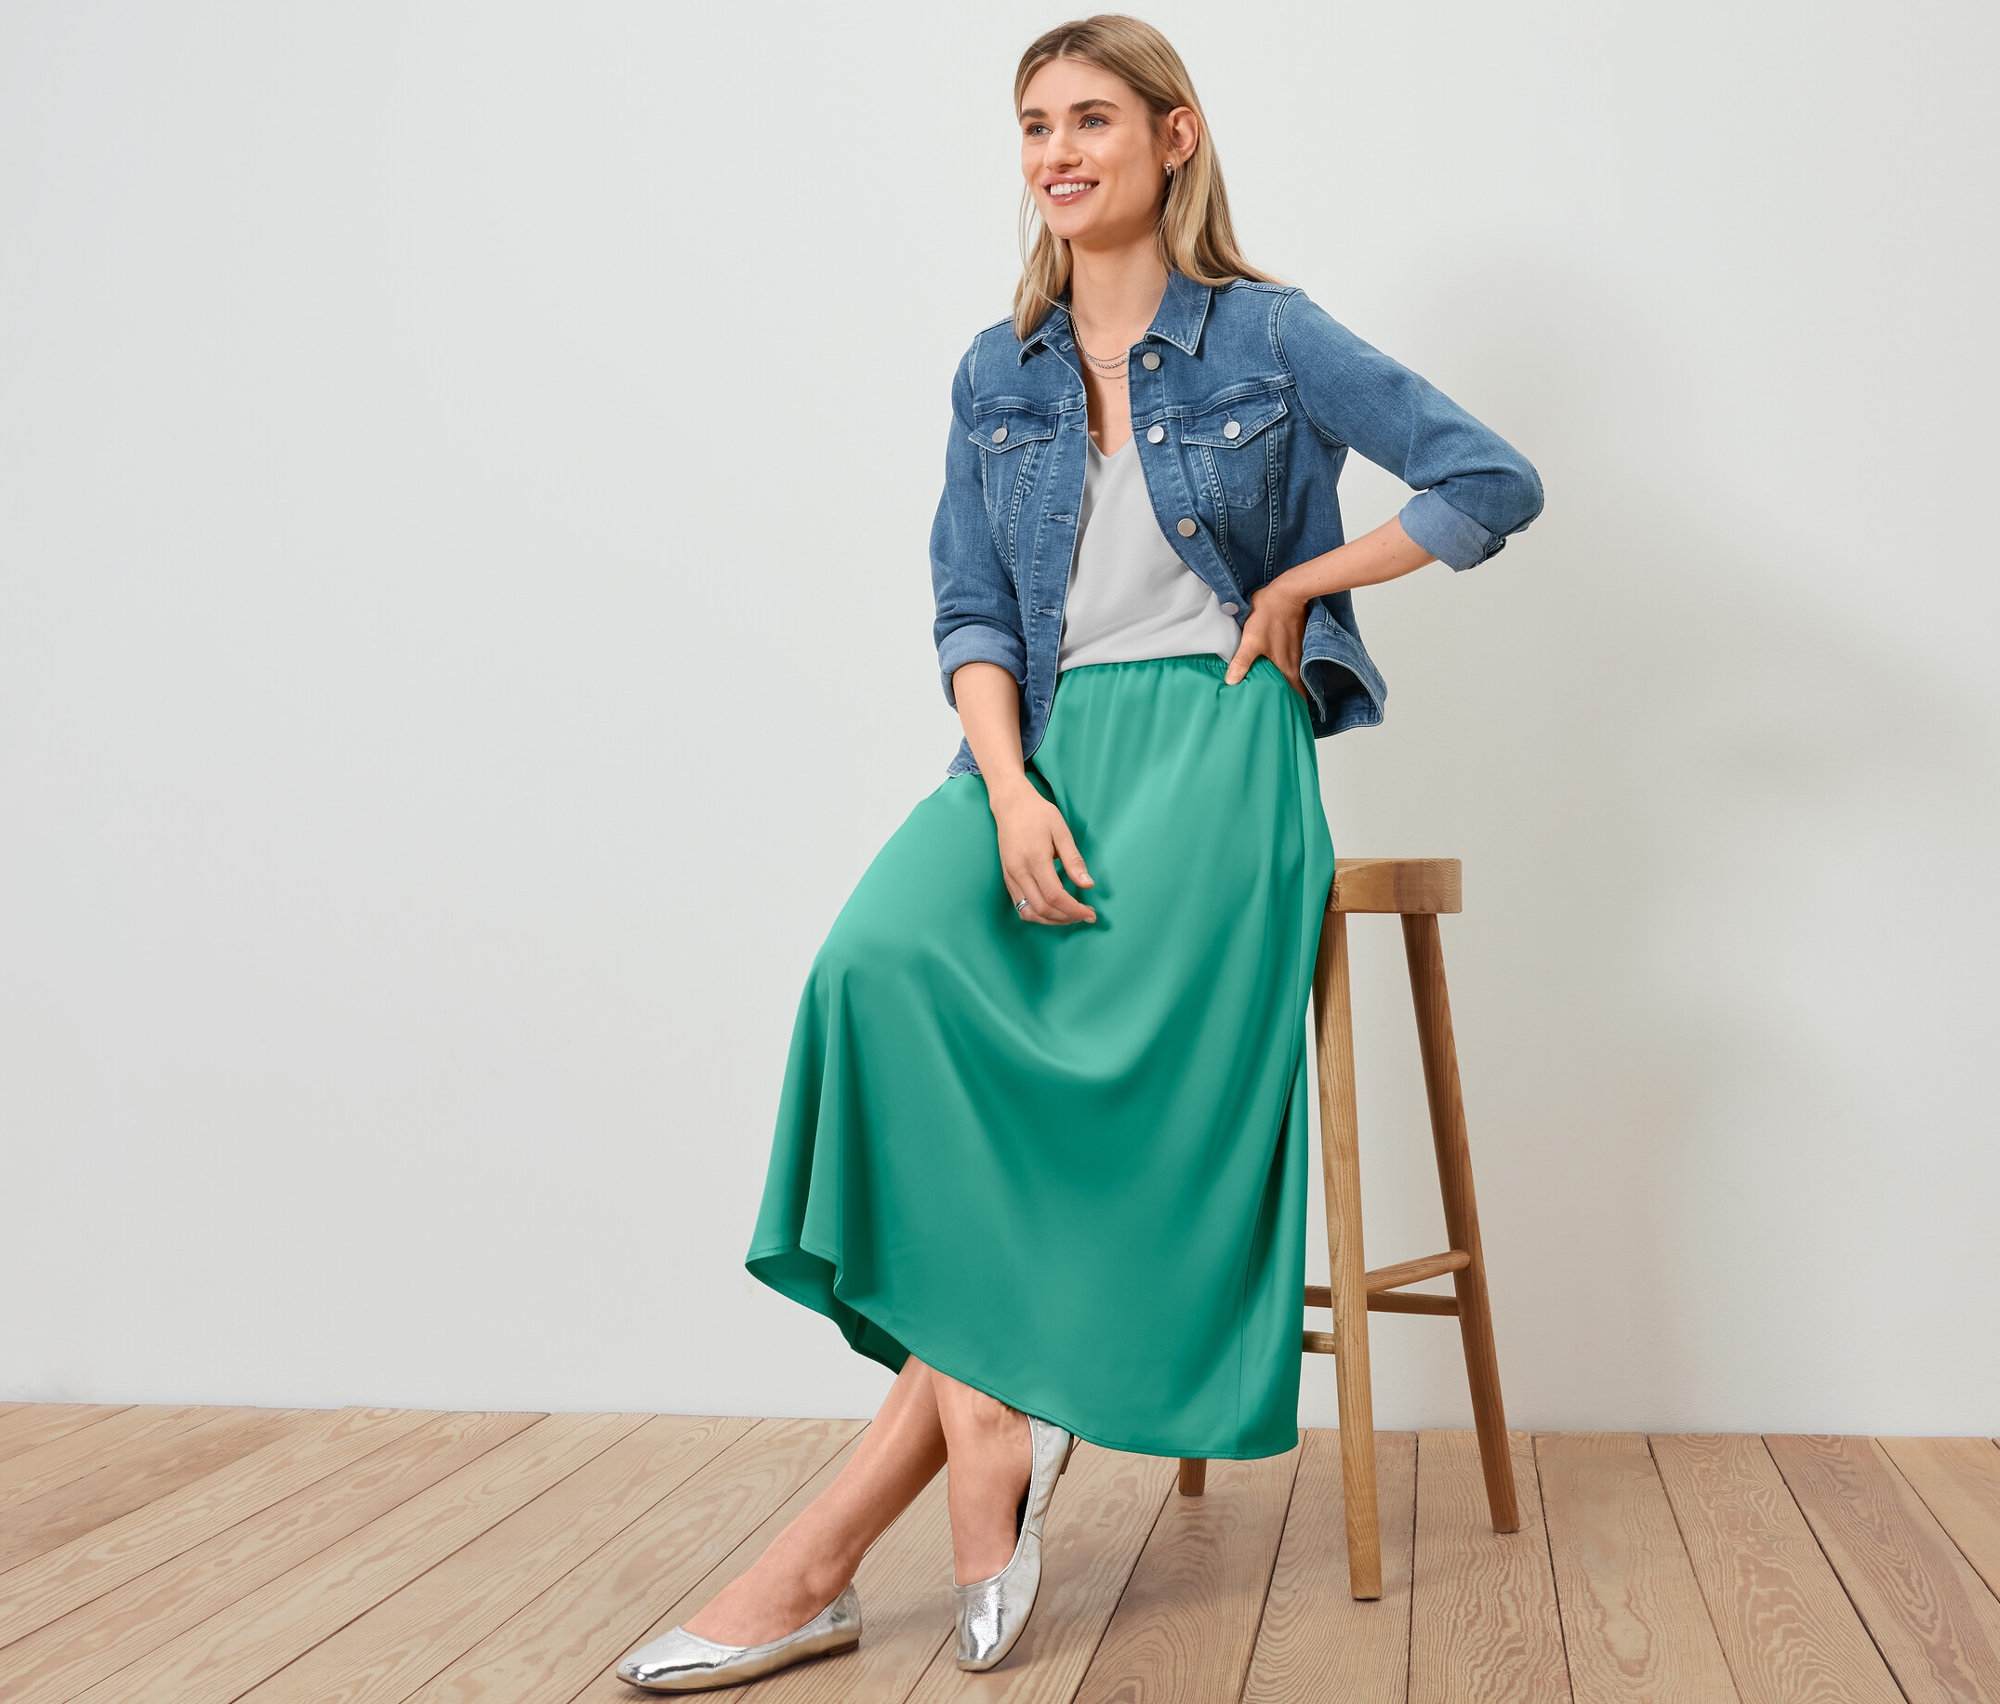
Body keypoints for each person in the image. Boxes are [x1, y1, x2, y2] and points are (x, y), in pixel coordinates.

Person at [616, 12, 1543, 1692]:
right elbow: (973, 607)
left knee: (1109, 1085)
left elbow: (1493, 478)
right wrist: (1011, 787)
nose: (1058, 151)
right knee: (876, 967)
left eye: (1094, 119)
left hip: (1218, 746)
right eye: (1035, 123)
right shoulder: (1000, 367)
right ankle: (993, 1427)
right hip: (1042, 750)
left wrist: (1303, 590)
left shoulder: (1267, 336)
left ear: (1174, 140)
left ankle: (817, 1564)